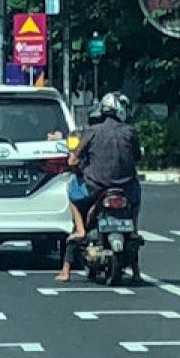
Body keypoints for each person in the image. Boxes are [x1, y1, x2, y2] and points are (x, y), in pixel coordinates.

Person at [55, 91, 142, 282]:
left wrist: (72, 160)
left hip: (95, 188)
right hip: (126, 188)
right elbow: (137, 157)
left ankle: (79, 230)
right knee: (136, 198)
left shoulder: (91, 132)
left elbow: (75, 157)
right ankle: (133, 229)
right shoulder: (130, 131)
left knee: (72, 193)